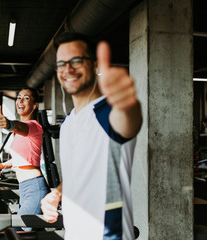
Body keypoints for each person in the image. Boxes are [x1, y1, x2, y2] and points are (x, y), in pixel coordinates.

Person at [40, 32, 143, 239]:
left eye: (76, 61)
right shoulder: (69, 122)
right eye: (61, 64)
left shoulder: (109, 113)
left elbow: (128, 121)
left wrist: (127, 103)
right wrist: (57, 193)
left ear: (95, 65)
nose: (67, 69)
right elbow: (77, 174)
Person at [0, 87, 50, 231]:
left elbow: (19, 126)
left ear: (35, 105)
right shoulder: (20, 133)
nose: (20, 101)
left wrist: (9, 124)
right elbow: (21, 158)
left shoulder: (34, 126)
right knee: (24, 231)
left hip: (34, 188)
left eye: (26, 98)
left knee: (18, 231)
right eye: (18, 97)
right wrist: (2, 166)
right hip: (25, 187)